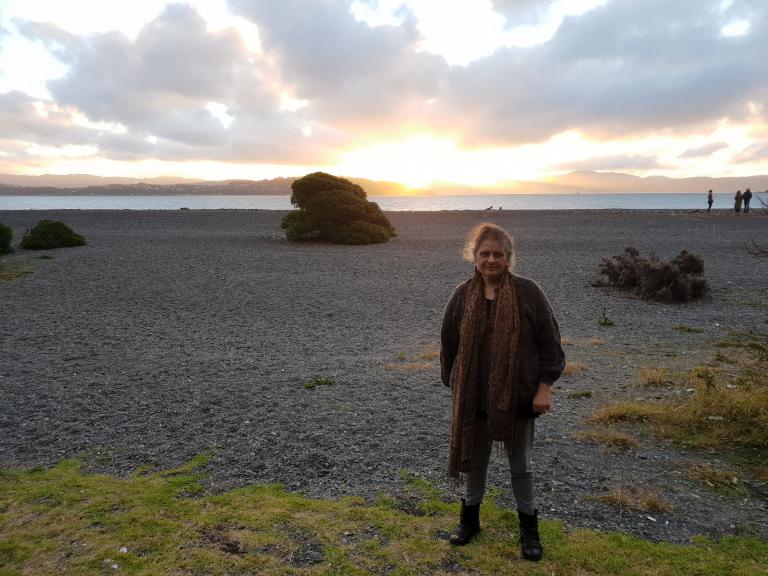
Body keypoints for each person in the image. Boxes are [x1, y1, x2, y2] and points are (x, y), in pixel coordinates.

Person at [440, 223, 565, 562]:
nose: (491, 259)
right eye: (485, 253)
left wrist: (544, 388)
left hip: (520, 397)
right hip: (474, 399)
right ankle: (470, 523)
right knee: (475, 463)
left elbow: (550, 344)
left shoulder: (529, 292)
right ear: (474, 257)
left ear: (509, 257)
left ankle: (529, 530)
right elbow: (449, 342)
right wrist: (453, 383)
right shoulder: (461, 295)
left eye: (498, 253)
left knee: (520, 465)